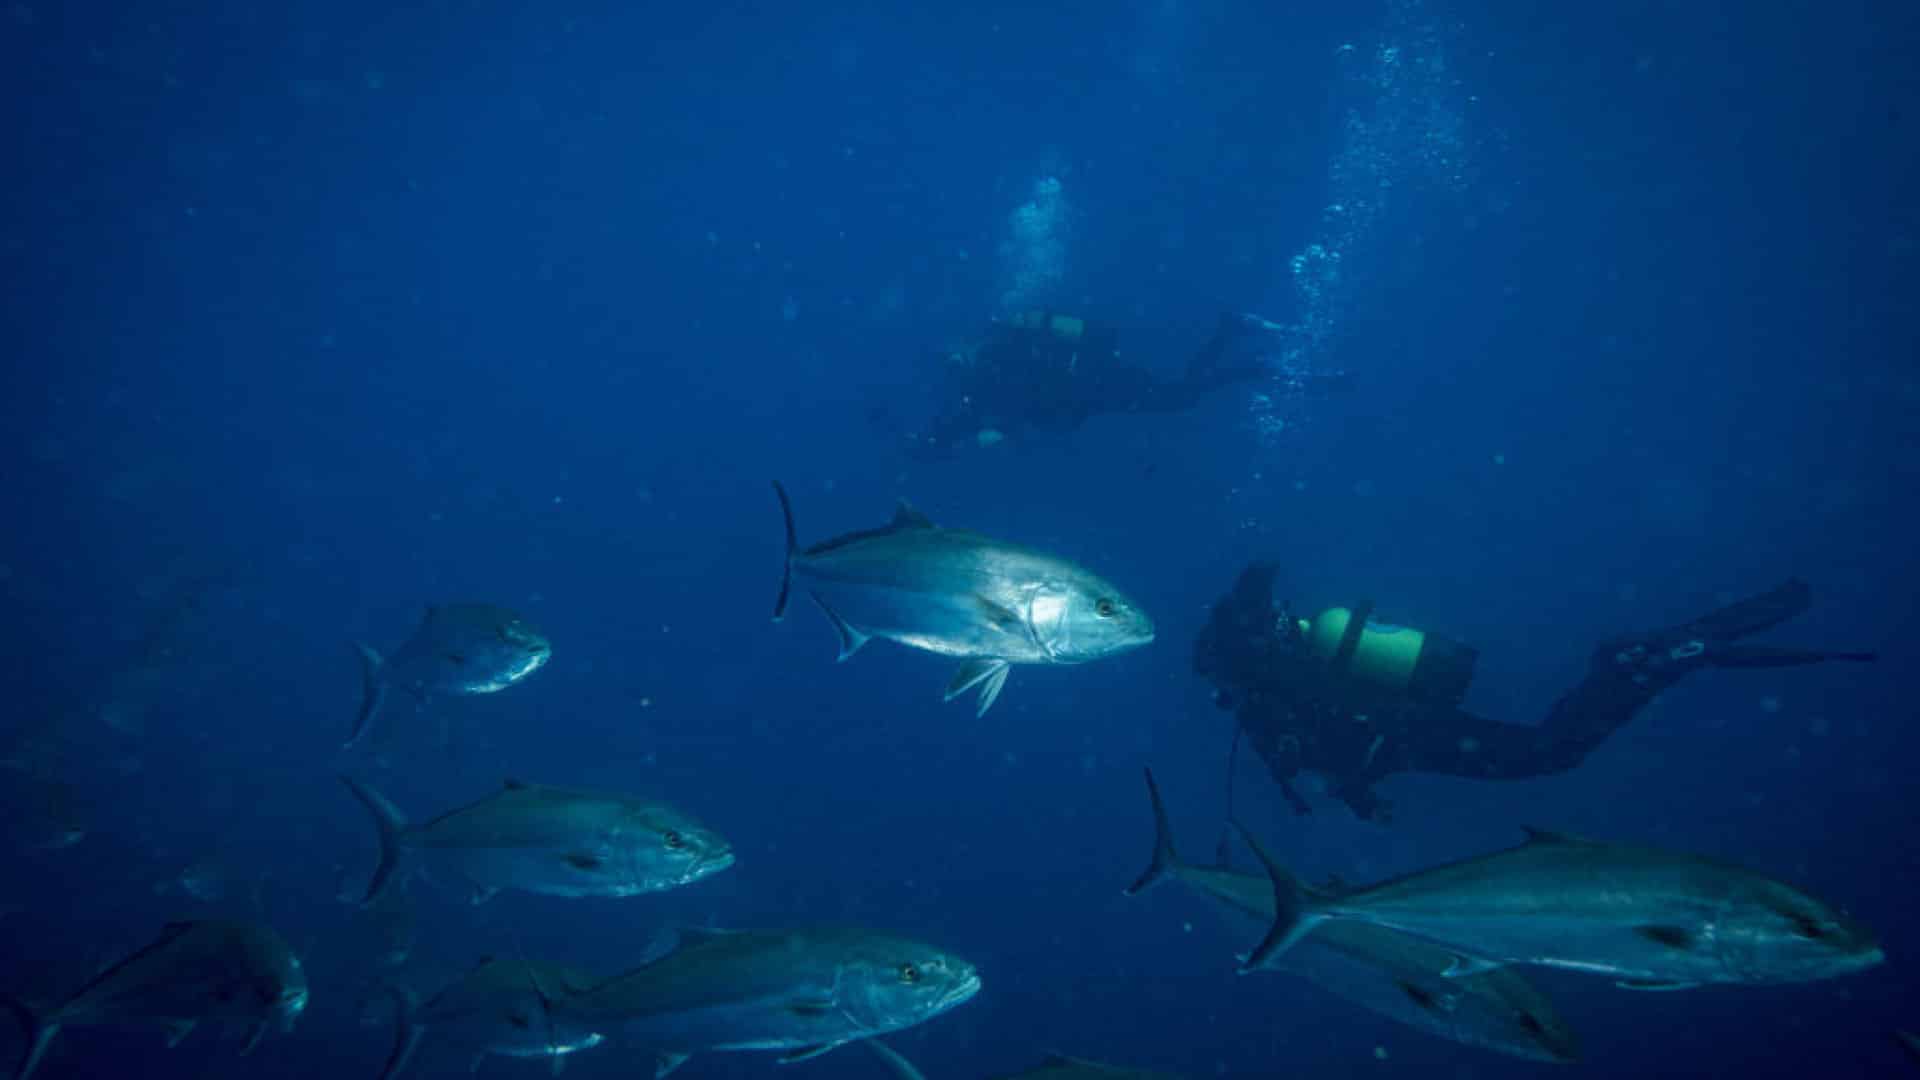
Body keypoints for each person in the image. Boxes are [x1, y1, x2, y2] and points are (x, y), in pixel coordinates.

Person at [1193, 564, 1877, 822]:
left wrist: (1352, 786)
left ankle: (1647, 661)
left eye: (1216, 683)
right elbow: (1326, 742)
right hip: (1409, 728)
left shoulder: (1264, 693)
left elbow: (1314, 745)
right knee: (1547, 746)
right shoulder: (1275, 679)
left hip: (1408, 732)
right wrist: (1361, 794)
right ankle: (1638, 662)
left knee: (1551, 751)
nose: (1219, 695)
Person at [901, 311, 1346, 459]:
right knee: (1181, 393)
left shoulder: (990, 373)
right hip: (1102, 383)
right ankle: (1236, 339)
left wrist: (937, 443)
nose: (954, 367)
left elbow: (986, 421)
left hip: (1100, 389)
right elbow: (970, 423)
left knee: (1182, 397)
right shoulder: (997, 364)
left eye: (952, 360)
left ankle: (1247, 354)